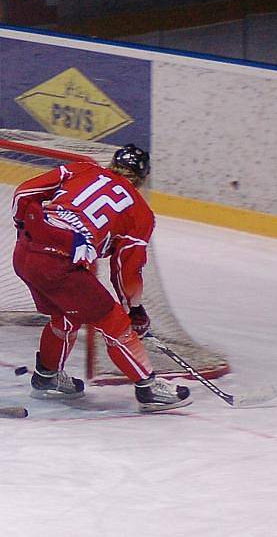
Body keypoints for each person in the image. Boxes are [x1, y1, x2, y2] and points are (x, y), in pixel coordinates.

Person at [12, 144, 192, 412]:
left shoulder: (82, 169)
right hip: (59, 265)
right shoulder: (140, 213)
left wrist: (24, 226)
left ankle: (47, 377)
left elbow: (24, 192)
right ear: (142, 178)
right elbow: (125, 269)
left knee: (66, 315)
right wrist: (134, 310)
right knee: (115, 324)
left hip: (24, 253)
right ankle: (148, 388)